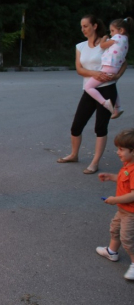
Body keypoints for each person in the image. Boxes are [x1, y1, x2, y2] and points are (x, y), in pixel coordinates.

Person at [57, 14, 127, 174]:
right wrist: (94, 74)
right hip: (90, 89)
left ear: (95, 26)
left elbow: (123, 61)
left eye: (86, 26)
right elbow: (79, 69)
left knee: (100, 127)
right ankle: (74, 154)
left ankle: (95, 162)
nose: (83, 29)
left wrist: (117, 76)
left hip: (107, 88)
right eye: (81, 27)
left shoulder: (107, 41)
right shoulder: (80, 46)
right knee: (76, 126)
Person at [96, 129, 134, 281]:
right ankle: (112, 252)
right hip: (123, 210)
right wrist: (112, 177)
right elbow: (124, 180)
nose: (118, 152)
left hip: (131, 213)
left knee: (127, 238)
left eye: (121, 149)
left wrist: (115, 200)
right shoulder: (127, 164)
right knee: (115, 229)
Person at [84, 17, 133, 116]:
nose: (111, 33)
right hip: (115, 68)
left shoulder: (117, 37)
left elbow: (102, 45)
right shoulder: (125, 40)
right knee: (111, 86)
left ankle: (105, 103)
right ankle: (118, 108)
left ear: (121, 30)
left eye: (112, 31)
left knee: (88, 87)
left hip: (109, 66)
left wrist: (104, 38)